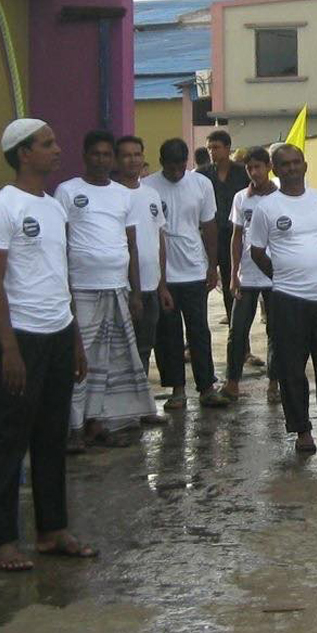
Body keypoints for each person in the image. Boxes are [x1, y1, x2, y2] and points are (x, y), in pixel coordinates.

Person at [0, 119, 94, 572]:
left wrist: (75, 338)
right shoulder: (0, 208)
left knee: (51, 435)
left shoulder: (54, 207)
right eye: (47, 144)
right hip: (22, 336)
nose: (57, 149)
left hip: (58, 331)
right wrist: (8, 347)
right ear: (23, 153)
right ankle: (3, 540)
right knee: (8, 439)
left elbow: (59, 274)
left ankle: (52, 529)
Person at [247, 144, 317, 454]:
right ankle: (302, 432)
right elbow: (257, 252)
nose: (292, 168)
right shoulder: (266, 208)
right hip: (287, 299)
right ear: (275, 169)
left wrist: (312, 269)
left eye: (297, 162)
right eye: (285, 164)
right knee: (292, 368)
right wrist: (283, 276)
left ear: (305, 166)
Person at [58, 131, 153, 448]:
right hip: (82, 288)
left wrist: (136, 292)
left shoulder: (122, 195)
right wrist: (65, 292)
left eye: (106, 155)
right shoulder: (68, 191)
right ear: (85, 156)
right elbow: (60, 243)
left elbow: (132, 244)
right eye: (95, 154)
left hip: (118, 288)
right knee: (80, 359)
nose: (101, 160)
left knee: (109, 361)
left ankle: (97, 423)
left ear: (112, 159)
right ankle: (72, 429)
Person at [148, 138, 227, 411]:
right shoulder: (148, 187)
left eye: (181, 166)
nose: (176, 172)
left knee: (199, 331)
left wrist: (212, 266)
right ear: (162, 163)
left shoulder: (201, 184)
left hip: (194, 269)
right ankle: (177, 390)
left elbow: (210, 226)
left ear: (187, 162)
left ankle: (206, 387)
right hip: (163, 274)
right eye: (171, 167)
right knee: (167, 334)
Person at [113, 138, 167, 412]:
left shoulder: (151, 194)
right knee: (121, 352)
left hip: (151, 286)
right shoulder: (112, 195)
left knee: (144, 349)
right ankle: (120, 410)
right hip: (121, 288)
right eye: (126, 155)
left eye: (137, 154)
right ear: (117, 160)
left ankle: (140, 407)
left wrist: (162, 285)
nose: (132, 160)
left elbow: (159, 238)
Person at [222, 147, 279, 403]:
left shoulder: (280, 197)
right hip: (247, 275)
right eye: (249, 168)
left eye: (258, 167)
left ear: (269, 167)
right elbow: (236, 237)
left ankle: (274, 383)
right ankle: (232, 382)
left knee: (276, 331)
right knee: (237, 331)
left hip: (275, 275)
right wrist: (233, 274)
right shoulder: (240, 198)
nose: (254, 172)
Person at [201, 133, 251, 321]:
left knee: (233, 282)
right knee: (202, 285)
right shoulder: (201, 175)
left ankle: (236, 329)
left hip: (234, 235)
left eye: (216, 147)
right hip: (207, 236)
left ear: (228, 148)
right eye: (209, 148)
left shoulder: (242, 172)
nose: (212, 152)